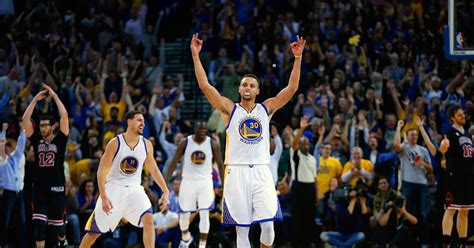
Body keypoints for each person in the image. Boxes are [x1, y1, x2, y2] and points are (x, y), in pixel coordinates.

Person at [190, 33, 305, 247]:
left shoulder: (266, 108)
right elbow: (205, 86)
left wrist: (297, 58)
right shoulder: (229, 109)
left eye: (252, 85)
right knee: (241, 230)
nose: (248, 88)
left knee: (268, 227)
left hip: (261, 171)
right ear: (239, 89)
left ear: (258, 90)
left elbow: (292, 89)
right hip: (236, 170)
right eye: (244, 85)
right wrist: (196, 56)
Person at [79, 110, 170, 248]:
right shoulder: (115, 143)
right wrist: (103, 196)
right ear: (129, 122)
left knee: (149, 220)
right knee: (94, 233)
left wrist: (165, 190)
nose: (143, 123)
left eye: (143, 121)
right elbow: (101, 170)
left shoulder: (146, 144)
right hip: (114, 189)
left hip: (134, 190)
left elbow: (154, 170)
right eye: (139, 120)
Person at [22, 84, 70, 248]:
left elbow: (64, 115)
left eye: (45, 125)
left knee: (60, 227)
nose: (42, 128)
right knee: (40, 225)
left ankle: (63, 241)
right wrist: (35, 99)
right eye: (41, 125)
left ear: (52, 127)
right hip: (40, 187)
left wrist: (55, 97)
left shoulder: (60, 140)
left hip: (57, 187)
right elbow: (25, 120)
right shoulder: (36, 140)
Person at [165, 120, 225, 248]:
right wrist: (165, 181)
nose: (203, 131)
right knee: (184, 214)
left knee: (204, 213)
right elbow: (174, 161)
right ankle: (186, 236)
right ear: (195, 129)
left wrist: (223, 183)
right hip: (188, 181)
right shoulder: (185, 142)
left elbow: (220, 164)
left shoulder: (212, 143)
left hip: (205, 182)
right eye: (200, 128)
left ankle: (202, 246)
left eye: (205, 129)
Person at [394, 120, 432, 247]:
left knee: (422, 214)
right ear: (407, 136)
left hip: (422, 184)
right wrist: (398, 128)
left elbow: (431, 169)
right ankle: (407, 242)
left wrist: (423, 164)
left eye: (416, 134)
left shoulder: (424, 150)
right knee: (406, 212)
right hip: (407, 183)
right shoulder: (404, 148)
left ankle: (424, 243)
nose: (414, 136)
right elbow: (396, 145)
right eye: (411, 134)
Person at [440, 105, 474, 246]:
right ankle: (446, 242)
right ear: (452, 117)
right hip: (454, 176)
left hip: (468, 176)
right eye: (459, 115)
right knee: (451, 208)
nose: (463, 117)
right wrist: (443, 146)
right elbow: (442, 147)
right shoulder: (449, 132)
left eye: (463, 115)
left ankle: (463, 243)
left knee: (465, 211)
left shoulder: (467, 135)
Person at [290, 116, 317, 247]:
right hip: (299, 188)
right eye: (302, 143)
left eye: (307, 143)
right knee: (298, 218)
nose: (305, 145)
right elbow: (294, 144)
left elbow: (315, 178)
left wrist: (316, 193)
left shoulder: (312, 158)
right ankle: (296, 244)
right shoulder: (296, 154)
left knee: (309, 218)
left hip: (310, 189)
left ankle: (307, 243)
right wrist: (301, 129)